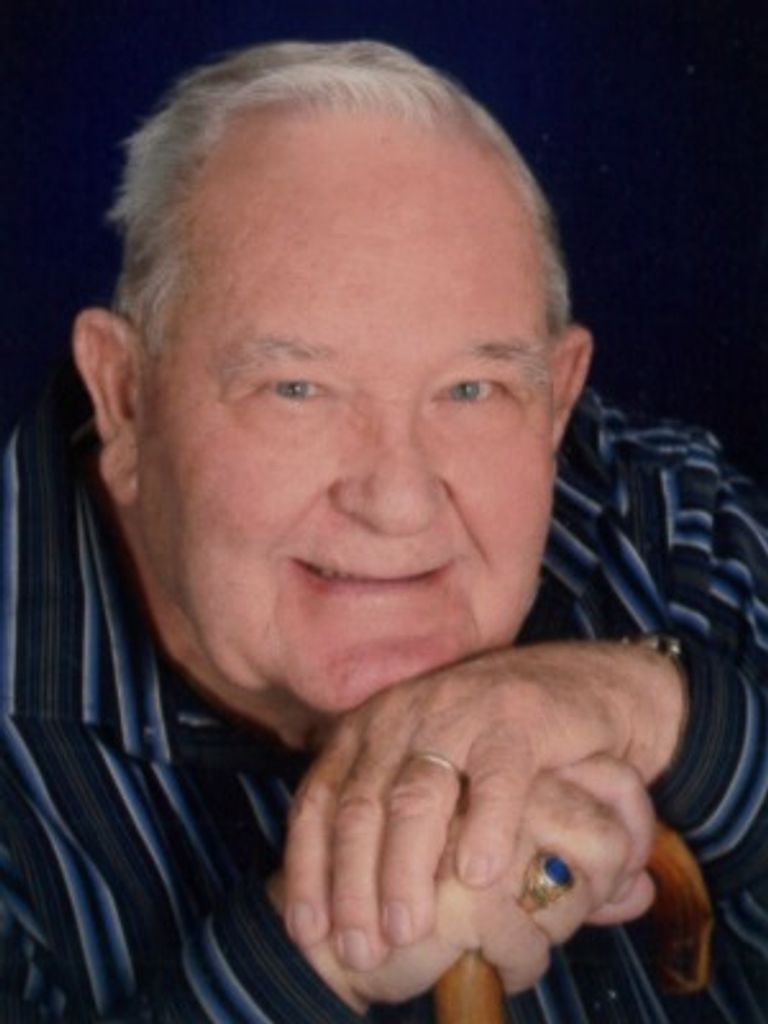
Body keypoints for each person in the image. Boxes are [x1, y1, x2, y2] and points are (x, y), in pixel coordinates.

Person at [1, 39, 766, 1023]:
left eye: (472, 388)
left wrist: (664, 716)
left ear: (558, 395)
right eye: (296, 388)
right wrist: (327, 956)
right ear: (125, 398)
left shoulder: (673, 522)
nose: (398, 501)